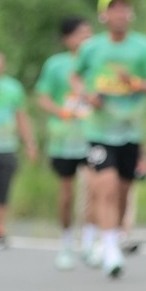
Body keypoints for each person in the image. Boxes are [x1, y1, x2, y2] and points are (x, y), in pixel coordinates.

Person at [72, 0, 146, 279]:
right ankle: (110, 250)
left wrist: (133, 83)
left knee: (122, 192)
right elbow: (75, 77)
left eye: (124, 9)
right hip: (98, 130)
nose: (120, 14)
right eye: (114, 9)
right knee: (106, 186)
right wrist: (87, 95)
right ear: (104, 16)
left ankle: (110, 238)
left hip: (130, 130)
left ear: (130, 15)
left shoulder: (143, 47)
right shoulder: (91, 48)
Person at [34, 16, 96, 268]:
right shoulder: (56, 65)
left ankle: (89, 243)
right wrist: (61, 111)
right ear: (67, 38)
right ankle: (66, 244)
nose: (87, 39)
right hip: (64, 139)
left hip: (94, 135)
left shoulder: (97, 62)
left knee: (95, 189)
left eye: (90, 34)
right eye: (81, 34)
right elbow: (43, 96)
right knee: (67, 194)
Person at [0, 50, 38, 246]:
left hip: (6, 147)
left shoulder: (13, 88)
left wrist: (30, 143)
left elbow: (21, 117)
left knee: (3, 190)